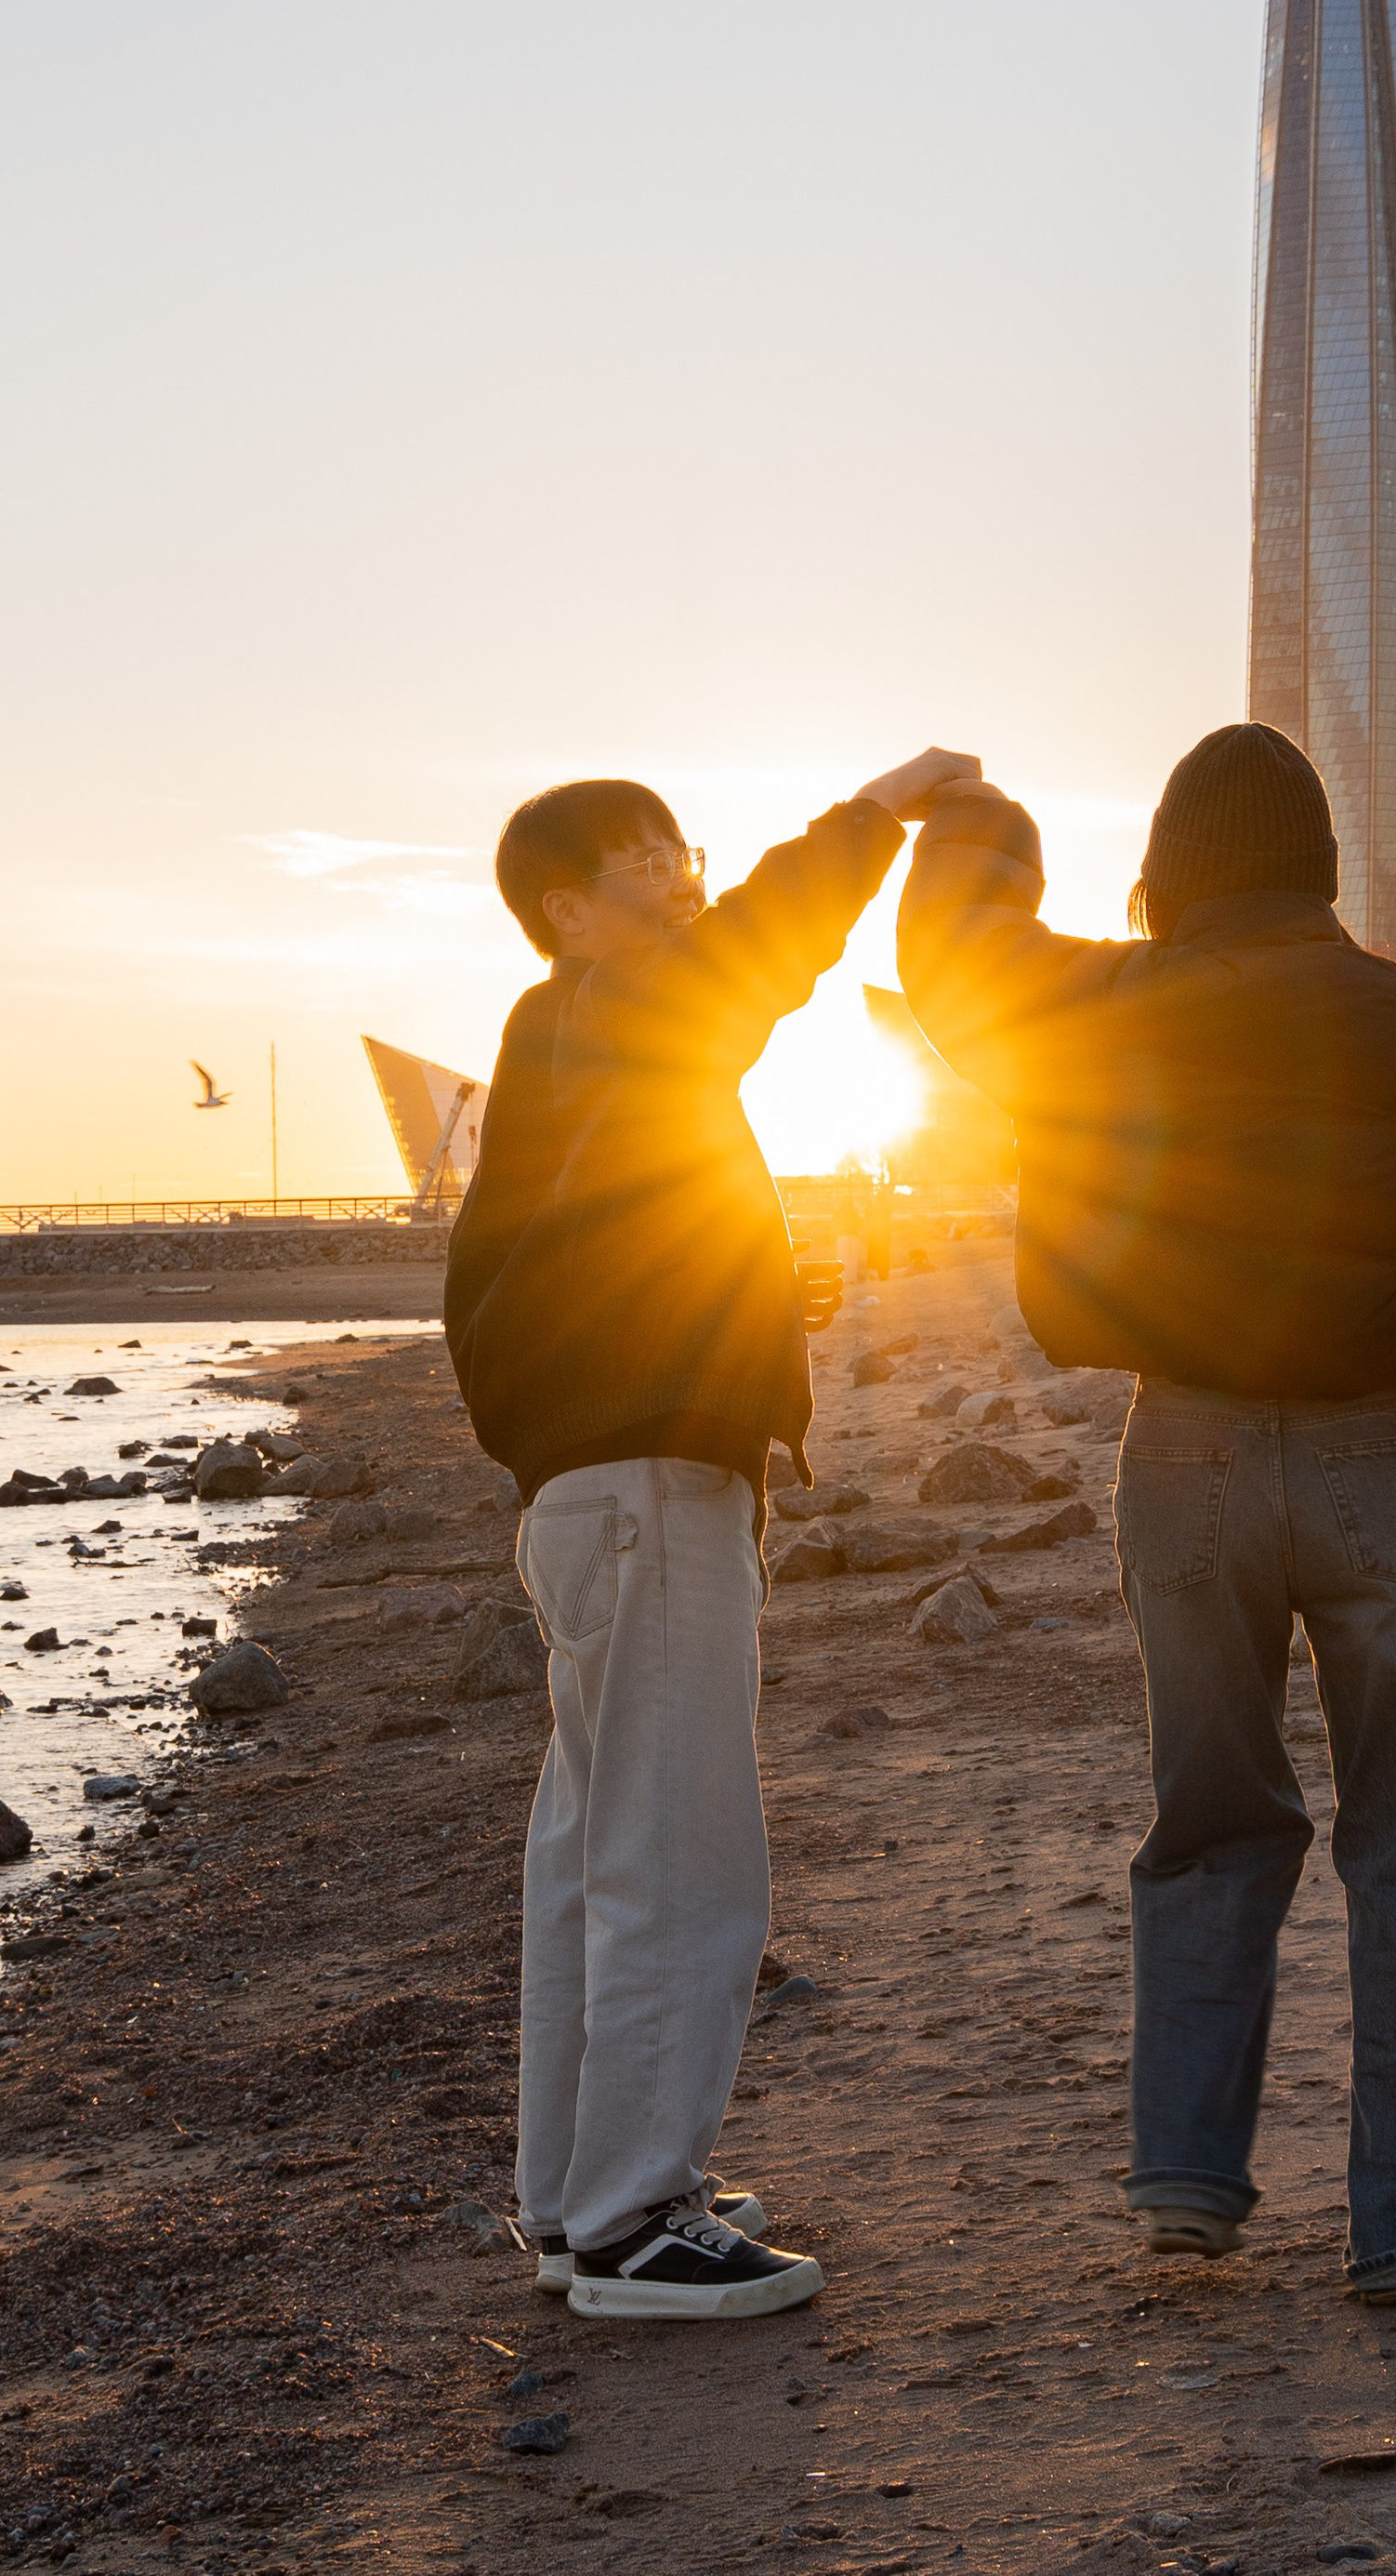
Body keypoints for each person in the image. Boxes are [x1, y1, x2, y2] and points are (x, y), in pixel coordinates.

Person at [894, 723, 1396, 2307]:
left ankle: (1190, 2180)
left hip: (1187, 1450)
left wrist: (973, 818)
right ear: (1322, 865)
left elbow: (953, 966)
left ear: (1171, 866)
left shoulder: (1110, 1001)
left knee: (1210, 1817)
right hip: (1378, 1455)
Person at [447, 749, 978, 2320]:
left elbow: (615, 1252)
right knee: (677, 1853)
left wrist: (743, 1304)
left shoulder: (570, 1037)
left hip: (593, 1488)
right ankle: (634, 2217)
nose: (686, 878)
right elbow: (763, 942)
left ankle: (575, 2198)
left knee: (592, 1847)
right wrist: (879, 811)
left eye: (686, 850)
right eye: (650, 862)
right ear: (569, 908)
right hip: (643, 1490)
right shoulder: (624, 1006)